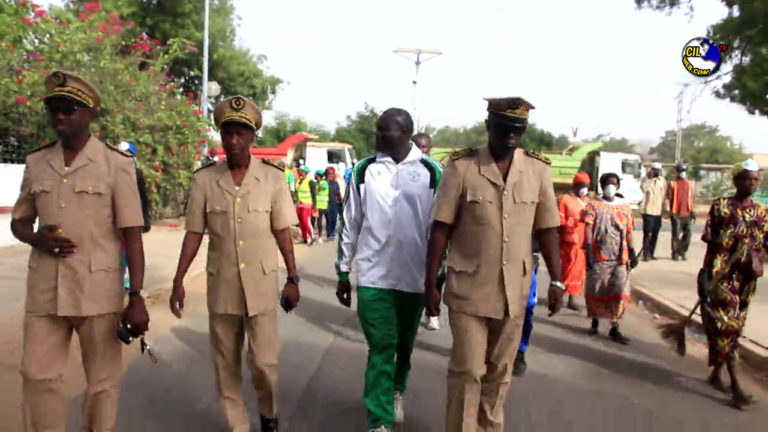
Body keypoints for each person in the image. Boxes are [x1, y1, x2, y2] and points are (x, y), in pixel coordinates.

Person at [10, 70, 149, 431]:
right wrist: (37, 238)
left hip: (97, 293)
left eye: (68, 108)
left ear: (89, 115)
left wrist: (136, 296)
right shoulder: (36, 162)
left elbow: (132, 234)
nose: (59, 115)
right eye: (53, 108)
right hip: (45, 291)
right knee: (37, 378)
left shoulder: (116, 164)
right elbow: (19, 221)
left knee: (102, 384)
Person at [425, 97, 564, 431]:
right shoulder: (461, 167)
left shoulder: (537, 170)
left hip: (513, 293)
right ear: (489, 125)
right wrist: (430, 283)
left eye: (518, 131)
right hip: (468, 288)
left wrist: (558, 281)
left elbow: (548, 230)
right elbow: (440, 228)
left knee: (499, 373)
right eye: (504, 129)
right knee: (468, 370)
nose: (511, 137)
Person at [170, 95, 301, 432]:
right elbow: (194, 234)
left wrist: (293, 278)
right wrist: (178, 280)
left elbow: (282, 231)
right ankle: (237, 425)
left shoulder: (272, 179)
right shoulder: (204, 180)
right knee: (225, 365)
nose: (233, 140)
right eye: (227, 133)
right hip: (223, 285)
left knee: (263, 364)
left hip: (260, 285)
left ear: (252, 136)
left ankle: (268, 414)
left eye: (241, 133)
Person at [336, 108, 442, 432]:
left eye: (387, 131)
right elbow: (349, 222)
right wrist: (343, 270)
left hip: (413, 277)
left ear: (407, 132)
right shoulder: (364, 170)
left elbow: (441, 230)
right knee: (381, 345)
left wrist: (437, 279)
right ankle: (378, 420)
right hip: (373, 275)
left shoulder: (432, 172)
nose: (379, 136)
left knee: (404, 344)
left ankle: (397, 390)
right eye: (378, 130)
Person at [699, 159, 765, 408]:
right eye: (748, 178)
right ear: (737, 180)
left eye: (756, 179)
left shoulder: (762, 212)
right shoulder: (722, 208)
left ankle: (716, 375)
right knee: (729, 326)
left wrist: (756, 257)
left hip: (747, 281)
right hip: (721, 278)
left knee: (733, 327)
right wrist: (706, 276)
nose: (752, 183)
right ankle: (736, 387)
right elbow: (710, 240)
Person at [583, 173, 638, 344]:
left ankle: (614, 326)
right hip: (600, 255)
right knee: (597, 288)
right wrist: (589, 249)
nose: (611, 187)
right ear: (602, 185)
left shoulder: (625, 207)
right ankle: (595, 321)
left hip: (620, 258)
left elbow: (628, 231)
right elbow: (588, 227)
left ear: (618, 186)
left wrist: (632, 250)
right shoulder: (594, 205)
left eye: (614, 184)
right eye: (607, 183)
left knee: (620, 290)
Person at [117, 140, 152, 291]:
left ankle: (132, 284)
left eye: (127, 155)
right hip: (115, 221)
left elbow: (143, 198)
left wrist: (145, 220)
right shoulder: (109, 174)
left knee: (131, 251)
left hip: (133, 220)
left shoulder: (137, 174)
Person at [557, 172, 591, 311]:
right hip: (569, 240)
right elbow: (560, 221)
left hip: (584, 240)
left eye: (587, 186)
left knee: (579, 270)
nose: (584, 189)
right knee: (568, 268)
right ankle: (559, 295)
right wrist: (575, 221)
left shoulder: (589, 201)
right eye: (582, 186)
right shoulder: (564, 199)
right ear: (575, 186)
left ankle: (572, 297)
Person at [513, 241, 540, 377]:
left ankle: (520, 351)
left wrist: (556, 281)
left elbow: (548, 233)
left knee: (526, 310)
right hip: (493, 261)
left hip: (527, 262)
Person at [640, 162, 667, 261]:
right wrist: (649, 179)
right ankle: (645, 253)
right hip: (648, 210)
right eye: (655, 170)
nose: (657, 172)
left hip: (658, 211)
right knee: (647, 233)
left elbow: (664, 196)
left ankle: (651, 253)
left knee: (655, 233)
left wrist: (665, 209)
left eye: (658, 170)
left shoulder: (662, 181)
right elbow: (644, 189)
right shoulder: (645, 180)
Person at [668, 163, 695, 261]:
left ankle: (682, 251)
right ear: (677, 172)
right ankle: (675, 253)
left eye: (684, 171)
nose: (682, 173)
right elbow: (669, 198)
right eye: (681, 171)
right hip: (676, 213)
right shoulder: (672, 184)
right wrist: (671, 212)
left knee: (688, 234)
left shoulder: (689, 184)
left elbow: (691, 198)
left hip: (687, 213)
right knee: (676, 234)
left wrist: (692, 211)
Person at [295, 166, 316, 245]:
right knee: (301, 223)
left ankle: (312, 237)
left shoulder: (310, 181)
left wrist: (315, 206)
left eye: (301, 171)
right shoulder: (298, 181)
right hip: (299, 204)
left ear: (305, 172)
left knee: (306, 221)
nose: (299, 172)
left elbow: (314, 194)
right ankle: (304, 238)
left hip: (307, 205)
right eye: (299, 170)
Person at [325, 166, 343, 241]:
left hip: (335, 203)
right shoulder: (324, 183)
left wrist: (340, 203)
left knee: (334, 219)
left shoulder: (335, 183)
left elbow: (338, 193)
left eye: (332, 173)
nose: (330, 175)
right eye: (329, 174)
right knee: (329, 219)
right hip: (327, 203)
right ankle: (329, 234)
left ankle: (332, 232)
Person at [314, 170, 329, 242]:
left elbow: (320, 189)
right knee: (318, 221)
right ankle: (319, 235)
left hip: (324, 205)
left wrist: (319, 181)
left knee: (325, 221)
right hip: (317, 206)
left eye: (316, 175)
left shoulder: (324, 183)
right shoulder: (316, 183)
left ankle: (325, 235)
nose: (315, 176)